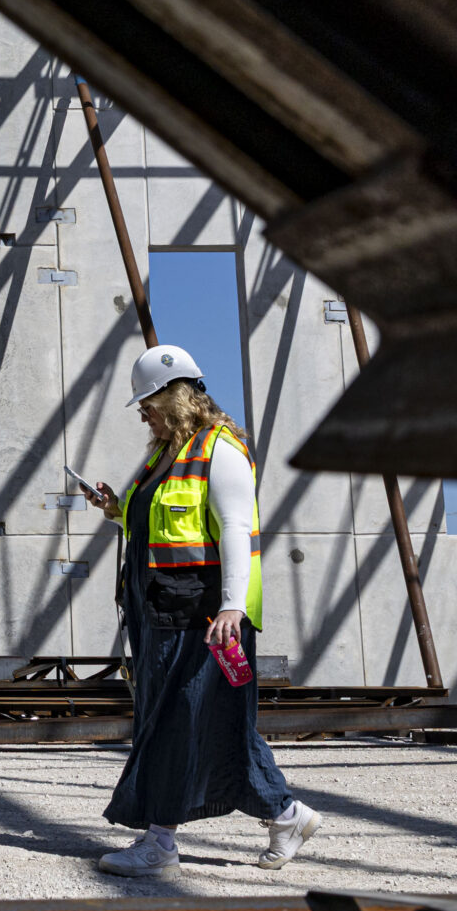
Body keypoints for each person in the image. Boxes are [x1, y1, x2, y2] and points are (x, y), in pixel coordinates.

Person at [76, 344, 322, 878]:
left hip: (204, 618)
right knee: (218, 723)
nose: (143, 414)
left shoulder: (219, 450)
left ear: (176, 398)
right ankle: (286, 815)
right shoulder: (165, 456)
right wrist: (116, 509)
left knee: (174, 721)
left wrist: (232, 605)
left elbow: (235, 528)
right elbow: (161, 528)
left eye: (148, 404)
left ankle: (159, 842)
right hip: (163, 613)